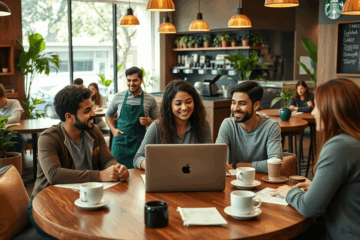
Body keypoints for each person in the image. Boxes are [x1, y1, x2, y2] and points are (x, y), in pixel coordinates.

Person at [29, 86, 129, 239]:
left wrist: (116, 168)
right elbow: (54, 174)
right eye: (87, 111)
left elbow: (107, 159)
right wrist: (100, 175)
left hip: (85, 200)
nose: (93, 114)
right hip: (47, 204)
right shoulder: (48, 138)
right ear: (69, 116)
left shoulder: (93, 131)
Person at [275, 79, 360, 240]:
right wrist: (317, 186)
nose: (313, 113)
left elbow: (309, 207)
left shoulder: (340, 146)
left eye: (318, 107)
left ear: (333, 111)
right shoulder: (354, 141)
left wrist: (289, 192)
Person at [216, 81, 295, 173]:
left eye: (242, 103)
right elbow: (217, 158)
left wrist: (239, 165)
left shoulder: (271, 126)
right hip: (234, 181)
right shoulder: (228, 124)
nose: (235, 108)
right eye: (233, 103)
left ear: (256, 105)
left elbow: (275, 163)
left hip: (263, 182)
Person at [133, 80, 212, 170]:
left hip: (195, 177)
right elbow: (138, 158)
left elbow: (209, 156)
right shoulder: (156, 127)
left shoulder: (203, 125)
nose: (184, 107)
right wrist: (149, 164)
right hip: (164, 178)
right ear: (169, 105)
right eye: (178, 104)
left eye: (189, 102)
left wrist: (216, 161)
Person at [105, 67, 159, 169]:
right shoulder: (118, 97)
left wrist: (148, 121)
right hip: (120, 143)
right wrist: (113, 130)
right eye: (129, 80)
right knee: (117, 172)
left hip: (139, 143)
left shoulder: (150, 99)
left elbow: (159, 121)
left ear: (141, 80)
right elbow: (108, 115)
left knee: (139, 174)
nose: (131, 83)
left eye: (135, 80)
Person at [0, 84, 27, 154]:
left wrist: (1, 122)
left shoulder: (14, 103)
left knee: (18, 139)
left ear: (3, 96)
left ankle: (13, 163)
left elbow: (15, 118)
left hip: (13, 133)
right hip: (1, 135)